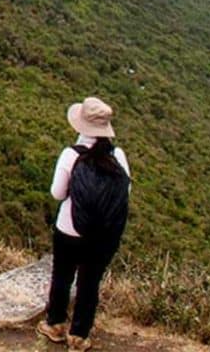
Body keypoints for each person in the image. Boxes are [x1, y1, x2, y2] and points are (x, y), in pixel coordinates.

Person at [37, 97, 131, 351]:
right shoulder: (117, 155)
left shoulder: (71, 155)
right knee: (90, 282)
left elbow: (57, 193)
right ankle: (79, 336)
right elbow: (125, 193)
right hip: (102, 235)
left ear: (80, 125)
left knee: (62, 276)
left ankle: (55, 325)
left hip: (69, 228)